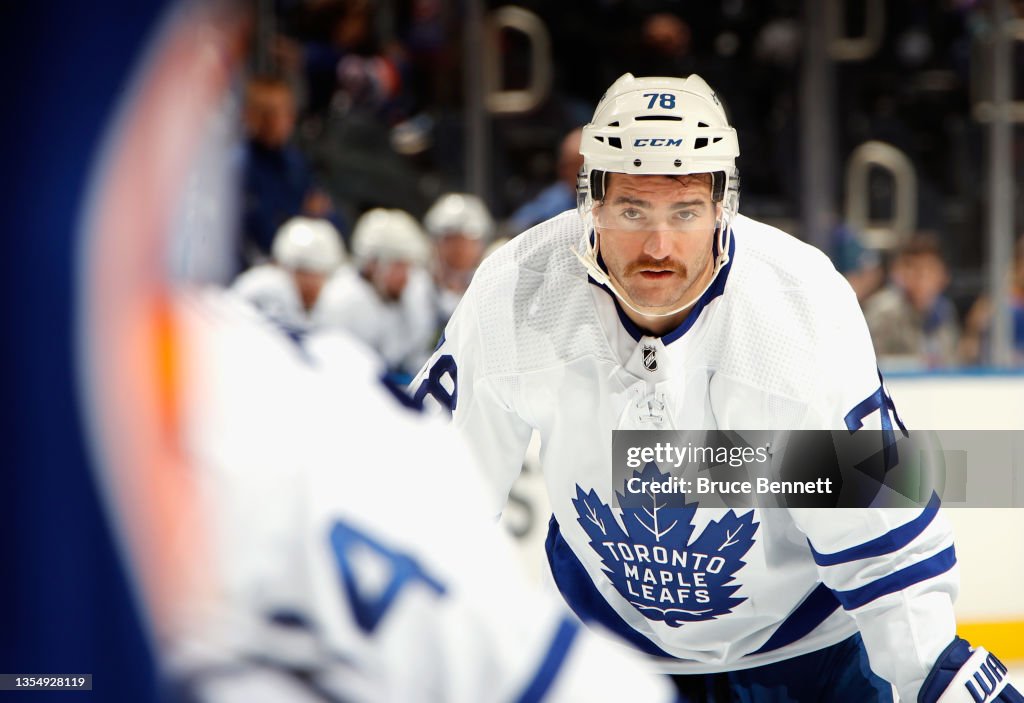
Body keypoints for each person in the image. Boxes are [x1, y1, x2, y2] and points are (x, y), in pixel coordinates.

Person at [412, 73, 1021, 702]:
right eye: (632, 210)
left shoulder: (800, 309)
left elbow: (881, 533)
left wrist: (933, 668)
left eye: (685, 211)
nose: (658, 246)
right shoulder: (516, 292)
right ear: (591, 203)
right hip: (605, 659)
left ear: (722, 206)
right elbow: (428, 498)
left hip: (812, 657)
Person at [162, 289, 677, 703]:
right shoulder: (517, 285)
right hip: (596, 627)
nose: (658, 245)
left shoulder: (287, 408)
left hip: (705, 649)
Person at [315, 207, 436, 376]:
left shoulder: (407, 296)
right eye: (399, 266)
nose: (406, 277)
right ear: (373, 263)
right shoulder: (342, 301)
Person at [862, 234, 960, 369]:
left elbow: (951, 363)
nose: (920, 278)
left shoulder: (944, 311)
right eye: (912, 268)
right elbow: (870, 364)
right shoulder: (882, 311)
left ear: (944, 277)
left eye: (929, 270)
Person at [232, 216, 347, 330]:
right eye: (302, 272)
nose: (309, 282)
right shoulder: (259, 288)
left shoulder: (337, 301)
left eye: (316, 274)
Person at [423, 192, 494, 325]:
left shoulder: (490, 285)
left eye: (466, 241)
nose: (459, 249)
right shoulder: (419, 287)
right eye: (450, 240)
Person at [506, 127, 584, 235]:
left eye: (577, 164)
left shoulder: (605, 201)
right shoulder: (557, 198)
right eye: (566, 165)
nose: (566, 171)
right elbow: (518, 224)